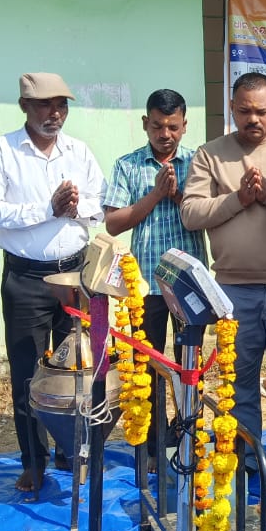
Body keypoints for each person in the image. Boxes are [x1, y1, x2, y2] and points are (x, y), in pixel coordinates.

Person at [180, 72, 266, 485]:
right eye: (244, 111)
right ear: (232, 109)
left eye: (261, 111)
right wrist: (239, 198)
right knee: (238, 377)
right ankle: (246, 454)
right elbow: (191, 213)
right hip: (232, 290)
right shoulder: (210, 155)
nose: (253, 119)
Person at [0, 72, 105, 492]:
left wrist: (76, 207)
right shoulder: (1, 152)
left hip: (75, 276)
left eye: (61, 105)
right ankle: (34, 461)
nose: (55, 113)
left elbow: (100, 205)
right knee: (29, 373)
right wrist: (46, 209)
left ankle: (71, 449)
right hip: (27, 278)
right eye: (46, 104)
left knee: (77, 369)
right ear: (24, 106)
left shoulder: (78, 151)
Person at [103, 89, 208, 465]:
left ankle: (189, 434)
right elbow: (113, 223)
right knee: (146, 363)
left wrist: (177, 195)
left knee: (189, 361)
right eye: (158, 126)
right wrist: (155, 194)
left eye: (173, 127)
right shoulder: (128, 165)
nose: (165, 134)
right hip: (146, 284)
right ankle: (151, 443)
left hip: (189, 283)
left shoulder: (198, 162)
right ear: (146, 123)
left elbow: (207, 214)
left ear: (184, 126)